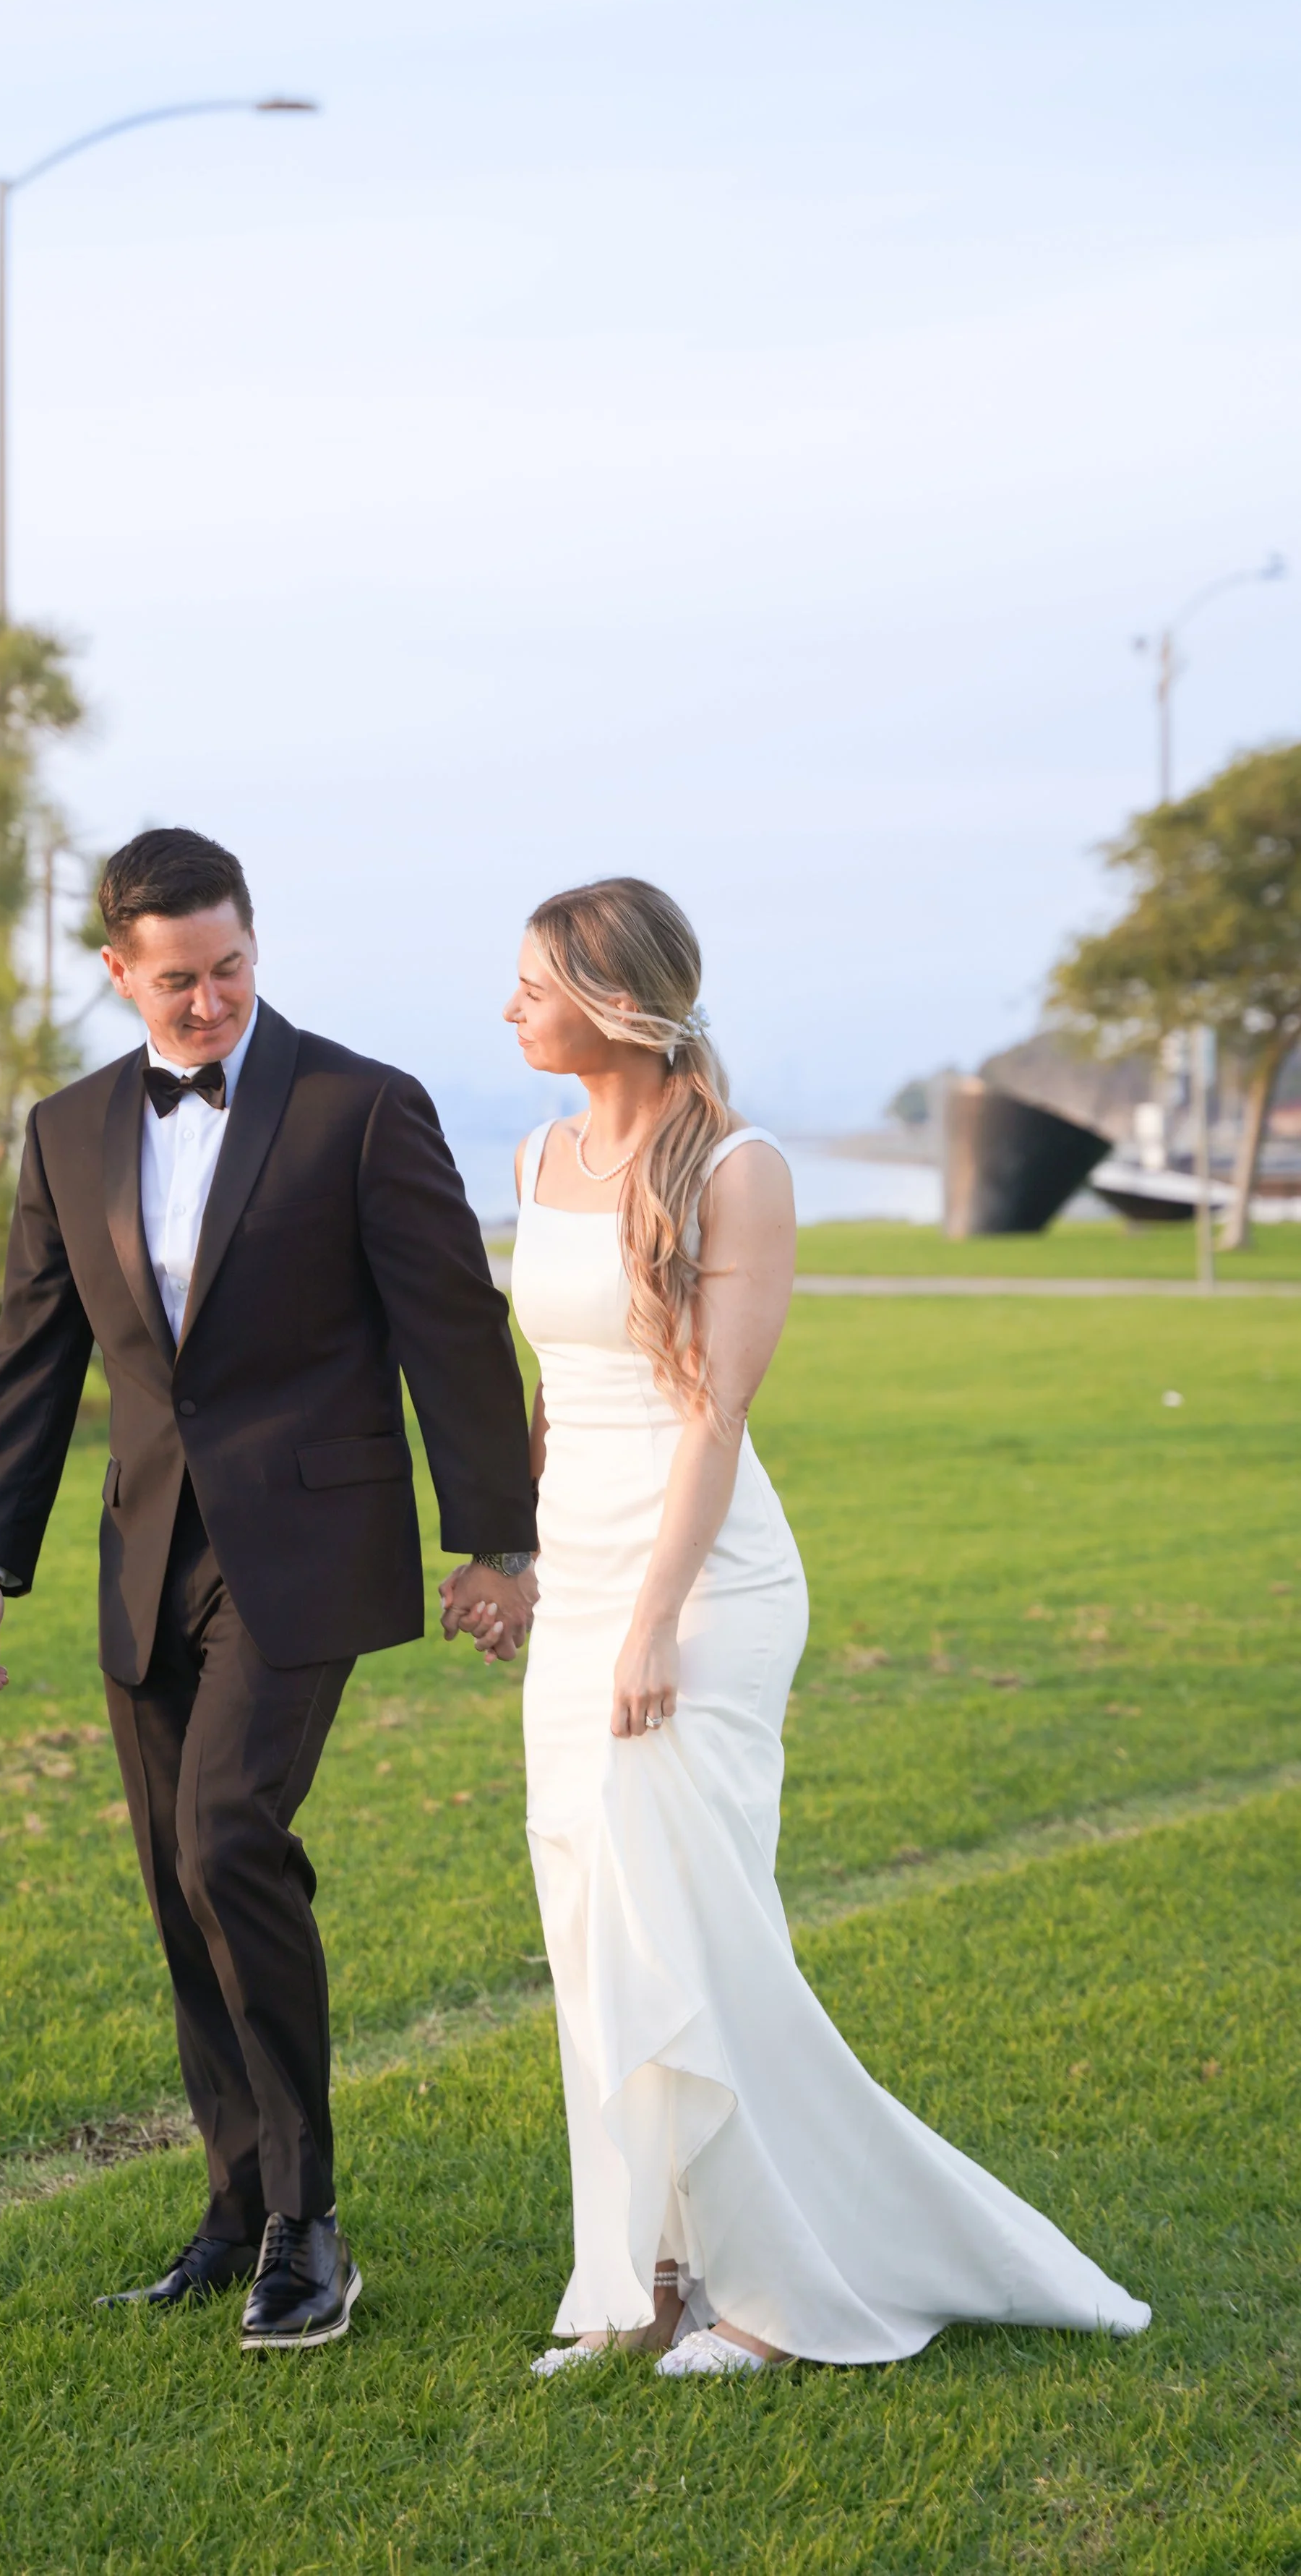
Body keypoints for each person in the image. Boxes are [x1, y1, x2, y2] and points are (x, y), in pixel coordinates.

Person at [442, 876, 1151, 2379]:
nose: (507, 1006)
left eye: (531, 983)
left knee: (693, 1936)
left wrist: (645, 1625)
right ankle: (639, 2277)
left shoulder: (739, 1169)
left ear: (614, 997)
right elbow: (548, 1387)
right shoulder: (537, 1151)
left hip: (700, 1592)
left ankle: (774, 2297)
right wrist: (522, 1565)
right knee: (592, 1934)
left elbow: (712, 1414)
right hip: (576, 1589)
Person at [0, 828, 537, 2351]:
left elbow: (451, 1330)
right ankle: (228, 2207)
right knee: (173, 1878)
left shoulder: (359, 1105)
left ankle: (308, 2225)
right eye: (175, 981)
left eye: (228, 971)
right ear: (116, 973)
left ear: (252, 949)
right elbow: (32, 1362)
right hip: (147, 1556)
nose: (205, 1003)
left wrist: (497, 1540)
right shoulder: (67, 1130)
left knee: (226, 1841)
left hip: (311, 1545)